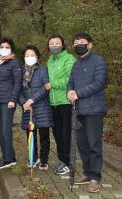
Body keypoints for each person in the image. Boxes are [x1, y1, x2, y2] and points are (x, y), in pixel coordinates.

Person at [67, 32, 107, 193]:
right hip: (78, 110)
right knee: (82, 144)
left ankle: (95, 177)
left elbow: (99, 83)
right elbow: (71, 82)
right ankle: (87, 173)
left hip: (94, 110)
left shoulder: (99, 61)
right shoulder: (76, 64)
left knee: (94, 144)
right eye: (76, 43)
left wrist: (78, 93)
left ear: (90, 44)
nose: (79, 45)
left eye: (82, 42)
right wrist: (69, 92)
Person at [19, 45, 53, 170]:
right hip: (28, 109)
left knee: (44, 135)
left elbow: (46, 88)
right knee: (30, 134)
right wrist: (24, 103)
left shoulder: (43, 70)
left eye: (32, 55)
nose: (29, 58)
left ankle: (44, 159)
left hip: (42, 107)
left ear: (37, 57)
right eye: (27, 56)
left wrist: (32, 100)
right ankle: (33, 157)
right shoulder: (21, 72)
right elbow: (19, 91)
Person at [46, 34, 77, 175]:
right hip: (53, 103)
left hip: (66, 102)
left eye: (57, 43)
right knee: (57, 133)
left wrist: (52, 84)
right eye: (51, 43)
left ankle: (69, 163)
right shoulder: (50, 60)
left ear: (63, 44)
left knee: (66, 134)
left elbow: (70, 79)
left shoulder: (69, 59)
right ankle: (62, 160)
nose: (54, 45)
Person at [0, 37, 23, 169]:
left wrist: (12, 100)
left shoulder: (14, 63)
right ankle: (10, 156)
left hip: (7, 102)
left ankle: (7, 159)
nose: (4, 49)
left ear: (11, 49)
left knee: (5, 130)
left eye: (7, 47)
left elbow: (18, 83)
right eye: (2, 47)